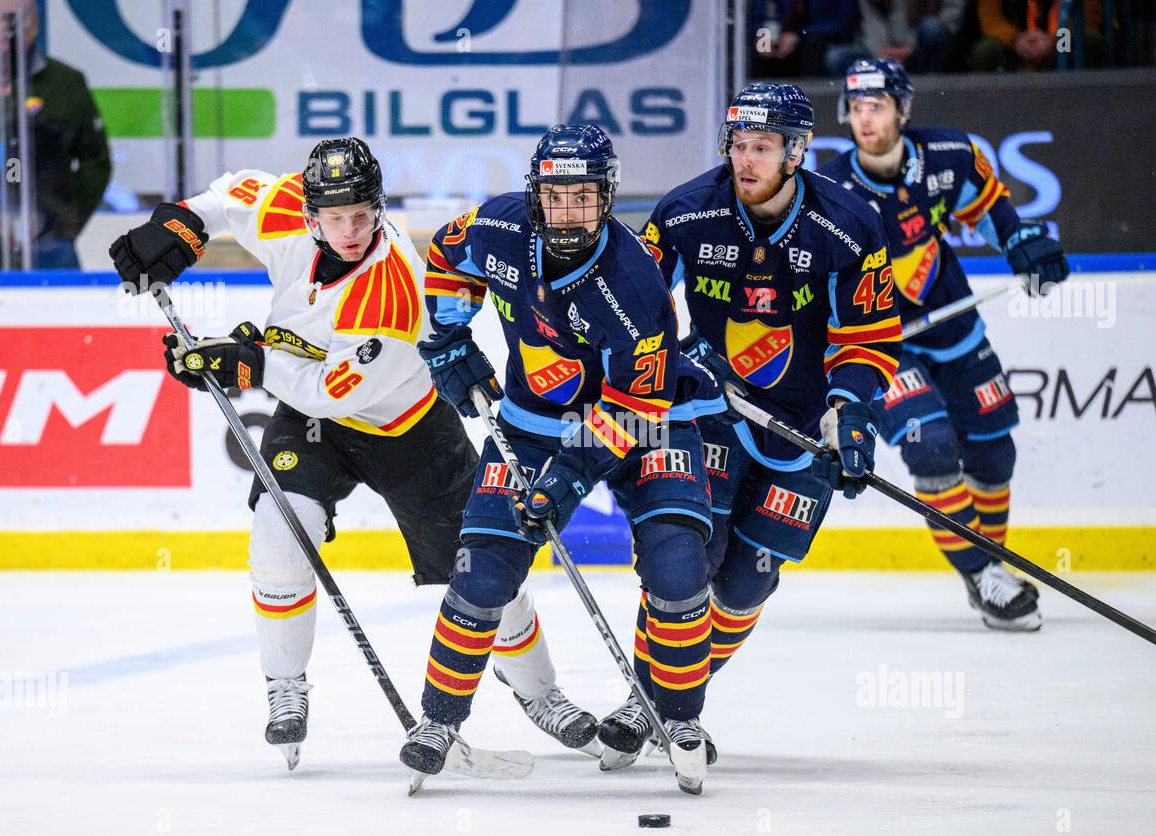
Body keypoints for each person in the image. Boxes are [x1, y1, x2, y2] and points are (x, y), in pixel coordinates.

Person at [109, 137, 591, 769]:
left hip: (410, 427)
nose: (349, 230)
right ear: (310, 213)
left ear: (379, 207)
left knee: (485, 571)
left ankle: (539, 691)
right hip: (312, 417)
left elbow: (329, 391)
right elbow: (227, 197)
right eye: (334, 217)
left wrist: (247, 362)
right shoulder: (287, 208)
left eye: (362, 215)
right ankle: (285, 686)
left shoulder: (395, 288)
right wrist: (179, 226)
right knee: (278, 536)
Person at [399, 124, 726, 794]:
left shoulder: (636, 286)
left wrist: (571, 476)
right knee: (483, 571)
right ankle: (437, 721)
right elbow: (449, 253)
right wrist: (450, 338)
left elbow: (638, 405)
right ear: (535, 194)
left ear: (606, 198)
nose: (570, 212)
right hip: (532, 425)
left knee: (678, 563)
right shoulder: (496, 227)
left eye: (585, 196)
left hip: (651, 422)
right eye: (557, 196)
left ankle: (680, 716)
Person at [640, 82, 901, 754]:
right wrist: (667, 357)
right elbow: (631, 306)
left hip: (802, 428)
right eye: (737, 145)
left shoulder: (848, 223)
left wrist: (850, 410)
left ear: (796, 152)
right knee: (690, 561)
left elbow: (868, 337)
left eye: (762, 147)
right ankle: (654, 703)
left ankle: (671, 691)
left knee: (747, 581)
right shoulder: (684, 212)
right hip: (711, 414)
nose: (745, 160)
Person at [819, 59, 1069, 629]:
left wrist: (1025, 245)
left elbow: (994, 212)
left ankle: (995, 563)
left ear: (903, 110)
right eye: (856, 107)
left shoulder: (949, 155)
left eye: (876, 106)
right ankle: (982, 576)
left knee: (993, 450)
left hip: (951, 322)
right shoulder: (830, 190)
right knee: (930, 448)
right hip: (882, 342)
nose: (865, 117)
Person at [0, 0, 110, 268]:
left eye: (18, 20)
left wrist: (67, 220)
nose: (8, 29)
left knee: (63, 309)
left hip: (49, 244)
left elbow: (96, 160)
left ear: (34, 26)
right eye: (0, 19)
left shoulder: (65, 82)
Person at [969, 0, 1105, 71]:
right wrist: (1015, 39)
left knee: (1090, 41)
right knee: (986, 50)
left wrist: (1052, 41)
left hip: (1062, 42)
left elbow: (1087, 17)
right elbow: (991, 19)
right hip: (1014, 45)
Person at [859, 0, 966, 74]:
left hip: (929, 50)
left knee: (933, 28)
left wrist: (908, 51)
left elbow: (951, 26)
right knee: (842, 57)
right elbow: (871, 24)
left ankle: (930, 93)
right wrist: (882, 52)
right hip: (889, 50)